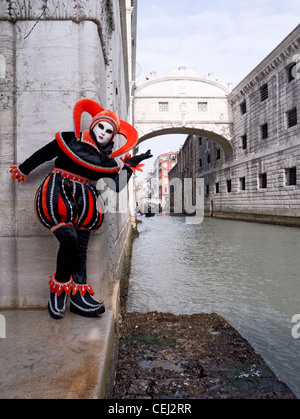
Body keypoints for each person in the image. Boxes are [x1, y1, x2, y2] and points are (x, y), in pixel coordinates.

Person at [9, 98, 152, 320]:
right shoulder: (68, 140)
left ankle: (79, 297)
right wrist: (24, 169)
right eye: (101, 127)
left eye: (109, 132)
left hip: (85, 203)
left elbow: (115, 185)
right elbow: (43, 154)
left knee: (81, 248)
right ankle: (59, 289)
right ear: (93, 125)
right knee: (70, 240)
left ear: (113, 138)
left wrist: (131, 165)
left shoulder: (106, 161)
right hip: (59, 196)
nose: (103, 133)